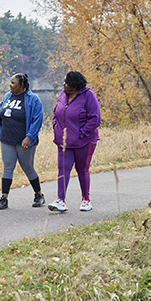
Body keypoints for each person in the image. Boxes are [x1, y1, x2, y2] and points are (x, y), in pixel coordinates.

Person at [48, 71, 101, 212]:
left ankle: (86, 200)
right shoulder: (63, 94)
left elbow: (95, 119)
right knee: (63, 169)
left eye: (66, 82)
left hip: (84, 140)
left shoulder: (88, 95)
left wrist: (81, 133)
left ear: (75, 85)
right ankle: (60, 200)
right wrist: (55, 127)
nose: (63, 84)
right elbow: (56, 112)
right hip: (64, 140)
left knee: (82, 170)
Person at [0, 73, 45, 210]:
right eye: (10, 82)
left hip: (24, 141)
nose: (10, 85)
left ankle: (38, 195)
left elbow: (37, 120)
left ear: (21, 85)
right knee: (8, 168)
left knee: (28, 167)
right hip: (7, 139)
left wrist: (29, 137)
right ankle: (4, 198)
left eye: (13, 83)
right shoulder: (7, 96)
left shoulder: (33, 99)